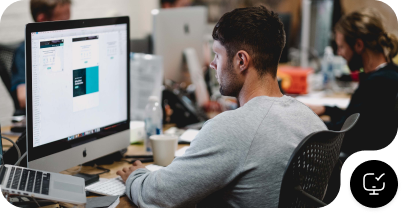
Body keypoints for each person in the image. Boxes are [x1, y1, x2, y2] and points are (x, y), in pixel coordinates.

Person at [117, 6, 327, 208]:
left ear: (241, 61)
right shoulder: (310, 120)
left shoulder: (232, 129)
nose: (212, 64)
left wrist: (135, 176)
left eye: (217, 55)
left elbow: (159, 196)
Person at [308, 8, 398, 156]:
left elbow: (344, 133)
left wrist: (304, 121)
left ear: (358, 45)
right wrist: (326, 109)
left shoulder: (378, 84)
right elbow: (357, 118)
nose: (339, 53)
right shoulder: (388, 74)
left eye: (341, 47)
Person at [11, 0, 71, 111]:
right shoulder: (24, 52)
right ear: (42, 20)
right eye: (63, 22)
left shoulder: (67, 46)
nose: (68, 28)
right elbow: (23, 98)